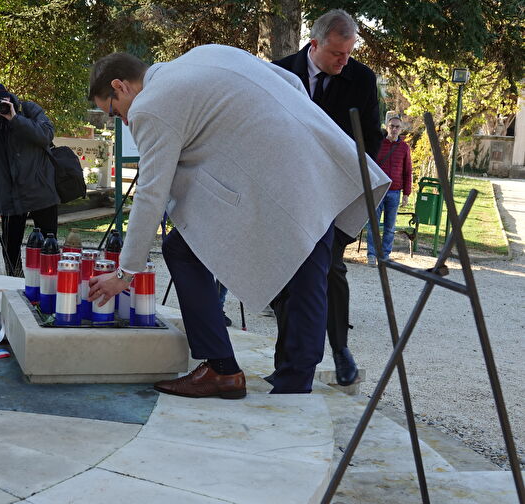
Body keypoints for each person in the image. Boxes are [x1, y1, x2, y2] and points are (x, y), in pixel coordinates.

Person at [86, 45, 389, 397]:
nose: (121, 120)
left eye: (112, 111)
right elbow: (289, 81)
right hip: (314, 157)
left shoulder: (151, 106)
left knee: (181, 250)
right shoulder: (203, 54)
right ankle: (294, 383)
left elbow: (151, 192)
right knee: (309, 269)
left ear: (120, 86)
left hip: (275, 176)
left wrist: (126, 273)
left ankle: (222, 369)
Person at [271, 9, 383, 387]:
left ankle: (340, 349)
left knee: (330, 267)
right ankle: (286, 359)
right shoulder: (280, 72)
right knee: (288, 270)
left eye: (349, 53)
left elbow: (371, 140)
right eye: (337, 54)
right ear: (314, 44)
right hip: (287, 190)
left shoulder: (361, 80)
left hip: (336, 190)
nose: (344, 61)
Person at [0, 80, 59, 276]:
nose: (0, 104)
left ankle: (48, 285)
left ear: (9, 96)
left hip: (40, 189)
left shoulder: (28, 109)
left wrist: (14, 118)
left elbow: (45, 135)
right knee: (11, 251)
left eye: (2, 99)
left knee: (48, 247)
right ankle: (15, 283)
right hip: (9, 195)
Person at [366, 114, 413, 265]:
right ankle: (372, 255)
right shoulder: (379, 144)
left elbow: (407, 171)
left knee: (389, 227)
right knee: (373, 224)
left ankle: (385, 256)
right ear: (387, 127)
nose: (394, 129)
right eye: (391, 126)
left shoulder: (404, 148)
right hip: (378, 189)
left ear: (401, 129)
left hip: (394, 191)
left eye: (397, 127)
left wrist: (406, 194)